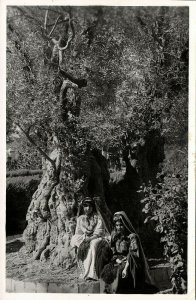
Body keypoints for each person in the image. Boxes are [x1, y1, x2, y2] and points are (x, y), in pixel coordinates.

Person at [100, 211, 159, 294]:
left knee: (119, 272)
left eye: (121, 225)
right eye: (117, 225)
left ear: (125, 225)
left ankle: (118, 292)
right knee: (106, 271)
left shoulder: (132, 237)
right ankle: (107, 292)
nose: (119, 227)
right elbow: (114, 252)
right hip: (118, 260)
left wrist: (125, 268)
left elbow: (133, 254)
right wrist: (116, 260)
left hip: (130, 262)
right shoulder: (114, 235)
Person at [71, 197, 108, 281]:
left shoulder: (97, 218)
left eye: (90, 206)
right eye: (85, 206)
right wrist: (84, 238)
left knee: (93, 244)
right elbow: (78, 232)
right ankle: (84, 272)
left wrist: (90, 238)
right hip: (85, 237)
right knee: (77, 241)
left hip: (96, 237)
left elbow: (99, 232)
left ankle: (92, 273)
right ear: (83, 207)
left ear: (93, 207)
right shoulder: (80, 218)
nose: (87, 208)